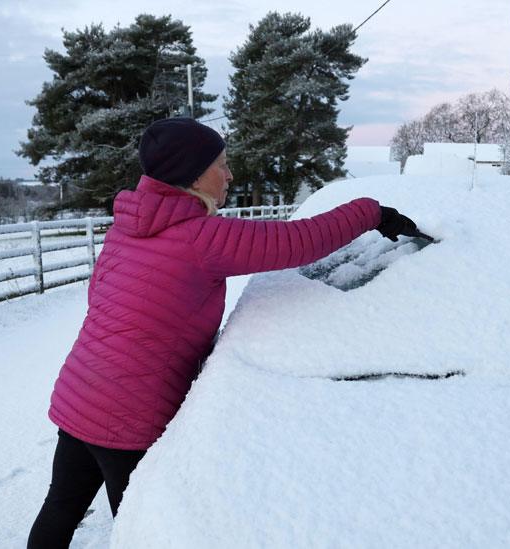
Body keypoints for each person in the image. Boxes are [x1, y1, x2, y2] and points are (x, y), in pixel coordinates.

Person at [27, 118, 420, 548]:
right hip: (131, 417)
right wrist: (373, 213)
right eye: (222, 164)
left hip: (78, 395)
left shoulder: (126, 228)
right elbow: (299, 240)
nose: (230, 175)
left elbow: (100, 299)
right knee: (139, 530)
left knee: (61, 507)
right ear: (193, 175)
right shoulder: (203, 238)